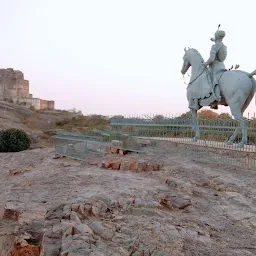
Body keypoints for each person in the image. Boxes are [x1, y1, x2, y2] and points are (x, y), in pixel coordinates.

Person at [204, 28, 227, 109]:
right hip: (222, 66)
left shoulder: (214, 46)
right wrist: (214, 39)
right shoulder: (223, 45)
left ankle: (214, 100)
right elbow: (218, 42)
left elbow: (211, 59)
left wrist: (204, 64)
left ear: (216, 36)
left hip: (214, 67)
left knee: (206, 79)